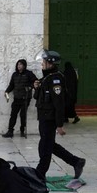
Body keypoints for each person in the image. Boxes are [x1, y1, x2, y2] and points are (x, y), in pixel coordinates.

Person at [33, 49, 85, 179]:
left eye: (43, 62)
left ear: (50, 63)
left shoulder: (56, 79)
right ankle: (76, 161)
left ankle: (39, 174)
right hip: (44, 117)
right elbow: (37, 97)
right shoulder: (46, 78)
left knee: (45, 147)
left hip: (50, 118)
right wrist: (37, 87)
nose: (42, 65)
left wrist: (59, 124)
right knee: (48, 144)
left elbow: (59, 103)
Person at [2, 59, 37, 138]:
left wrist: (30, 87)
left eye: (20, 64)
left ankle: (22, 131)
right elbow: (11, 85)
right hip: (16, 98)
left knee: (23, 115)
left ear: (24, 65)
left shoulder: (29, 74)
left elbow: (35, 82)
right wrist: (7, 91)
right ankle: (10, 131)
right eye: (18, 64)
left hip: (25, 98)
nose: (19, 66)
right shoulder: (15, 74)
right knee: (13, 114)